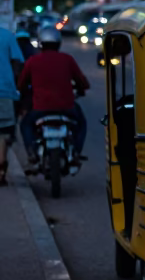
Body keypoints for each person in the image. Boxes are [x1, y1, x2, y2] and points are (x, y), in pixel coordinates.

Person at [18, 24, 89, 164]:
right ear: (59, 43)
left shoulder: (33, 61)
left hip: (40, 108)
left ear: (40, 43)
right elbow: (83, 82)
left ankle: (32, 152)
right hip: (67, 107)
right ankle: (76, 152)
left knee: (25, 124)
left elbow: (21, 84)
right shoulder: (67, 59)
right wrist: (80, 89)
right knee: (81, 123)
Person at [0, 22, 24, 186]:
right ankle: (1, 168)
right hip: (5, 91)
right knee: (4, 132)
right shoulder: (7, 36)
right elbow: (17, 62)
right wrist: (14, 81)